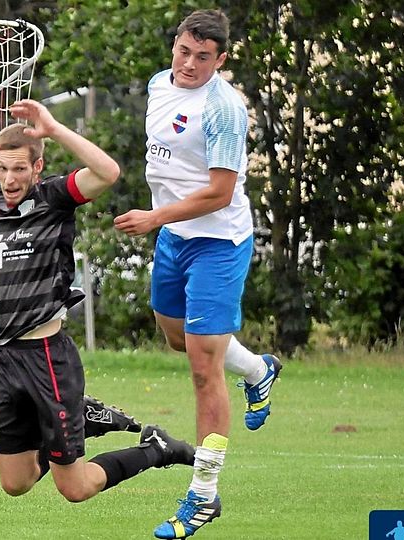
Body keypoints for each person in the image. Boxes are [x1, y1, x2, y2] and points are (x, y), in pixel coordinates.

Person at [0, 99, 194, 506]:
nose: (10, 179)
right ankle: (81, 420)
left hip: (47, 358)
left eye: (20, 169)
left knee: (75, 488)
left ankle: (155, 448)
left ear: (36, 167)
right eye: (3, 168)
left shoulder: (54, 197)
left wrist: (54, 130)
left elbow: (108, 172)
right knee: (15, 482)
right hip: (4, 356)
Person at [113, 9, 281, 538]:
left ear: (220, 59)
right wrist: (163, 223)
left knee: (204, 369)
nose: (188, 64)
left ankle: (203, 496)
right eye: (183, 51)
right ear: (175, 46)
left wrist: (154, 216)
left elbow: (220, 192)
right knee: (176, 338)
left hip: (218, 243)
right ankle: (257, 369)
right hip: (174, 238)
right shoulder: (159, 84)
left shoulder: (225, 109)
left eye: (202, 57)